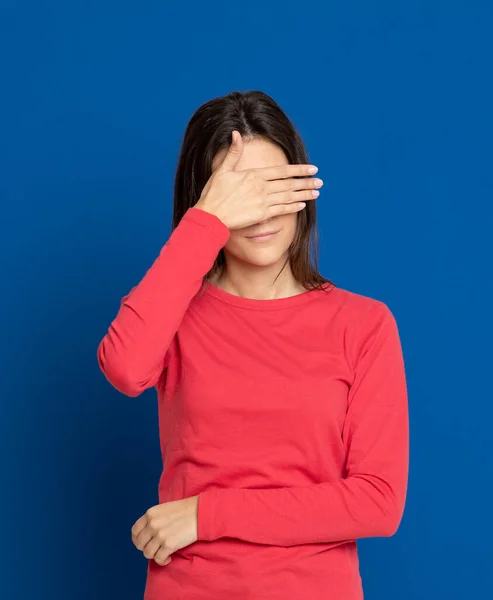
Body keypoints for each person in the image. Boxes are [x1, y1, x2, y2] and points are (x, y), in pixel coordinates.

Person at [97, 90, 409, 600]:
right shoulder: (173, 311)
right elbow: (124, 368)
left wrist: (207, 513)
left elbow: (378, 501)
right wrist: (205, 224)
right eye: (238, 193)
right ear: (206, 200)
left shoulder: (364, 323)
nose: (261, 212)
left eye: (273, 187)